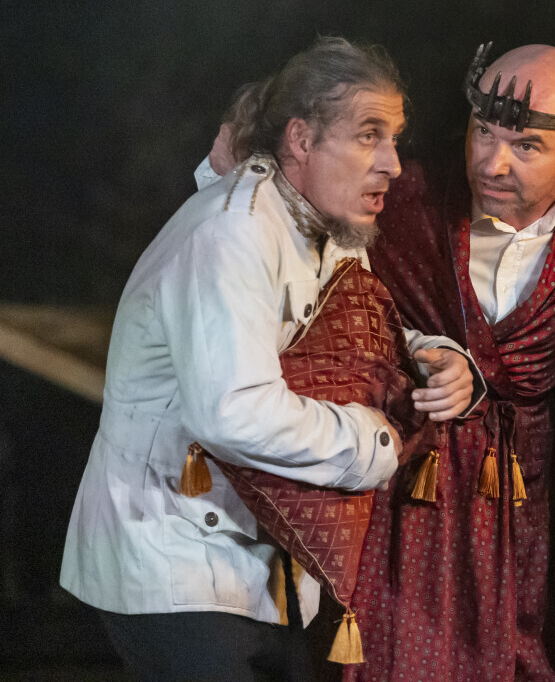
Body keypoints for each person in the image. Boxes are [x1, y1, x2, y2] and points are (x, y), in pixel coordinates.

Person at [61, 37, 477, 682]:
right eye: (369, 135)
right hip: (175, 564)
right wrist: (373, 443)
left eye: (394, 138)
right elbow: (233, 411)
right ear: (301, 139)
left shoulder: (323, 225)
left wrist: (434, 360)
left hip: (263, 567)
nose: (393, 164)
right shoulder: (231, 233)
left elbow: (345, 337)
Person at [354, 43, 555, 682]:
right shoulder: (404, 200)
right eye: (483, 132)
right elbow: (333, 303)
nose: (491, 163)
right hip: (411, 494)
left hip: (530, 501)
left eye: (526, 146)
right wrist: (418, 350)